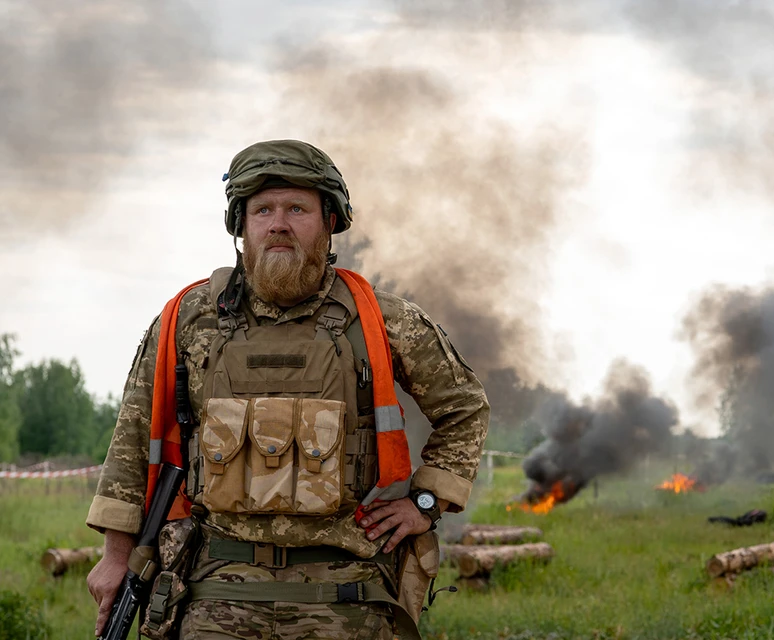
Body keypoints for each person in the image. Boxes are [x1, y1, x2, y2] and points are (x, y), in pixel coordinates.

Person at [85, 139, 490, 639]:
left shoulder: (382, 321)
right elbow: (133, 437)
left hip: (347, 594)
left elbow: (465, 408)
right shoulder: (187, 320)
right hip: (215, 591)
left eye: (297, 208)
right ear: (241, 226)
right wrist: (115, 556)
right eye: (263, 210)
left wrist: (425, 504)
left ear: (330, 222)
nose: (278, 223)